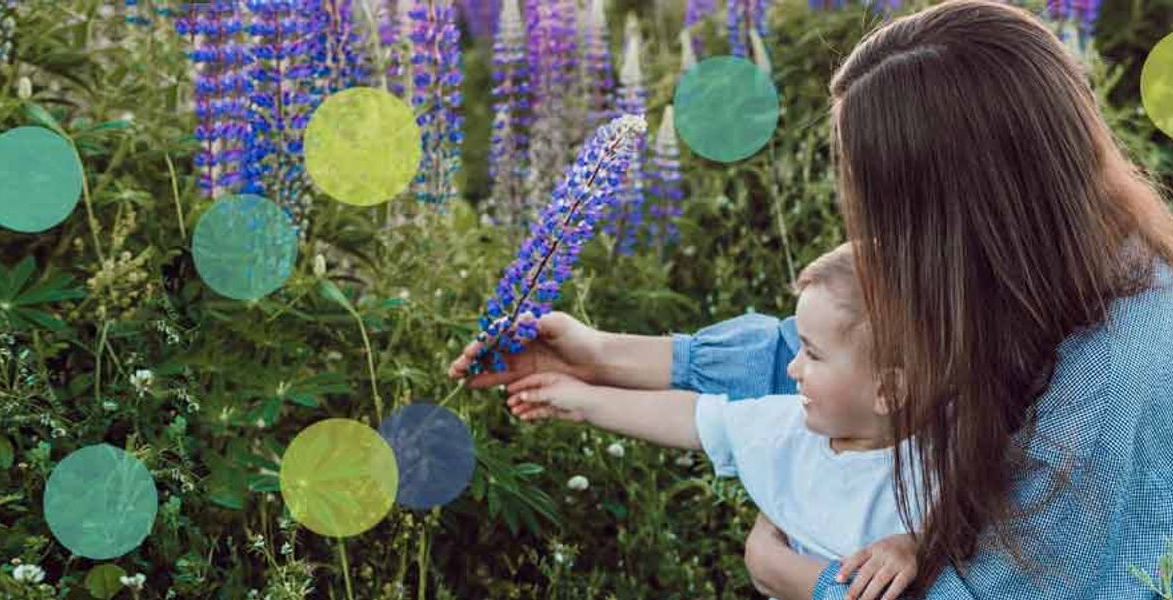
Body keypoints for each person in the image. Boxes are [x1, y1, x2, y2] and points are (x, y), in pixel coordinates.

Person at [451, 1, 1173, 597]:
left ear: (958, 215)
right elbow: (859, 362)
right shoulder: (1058, 270)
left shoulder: (1118, 379)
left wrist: (796, 577)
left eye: (890, 216)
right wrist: (601, 356)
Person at [502, 242, 927, 600]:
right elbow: (691, 416)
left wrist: (914, 545)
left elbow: (972, 532)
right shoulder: (788, 428)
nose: (793, 369)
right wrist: (582, 400)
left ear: (886, 391)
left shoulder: (943, 457)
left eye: (812, 354)